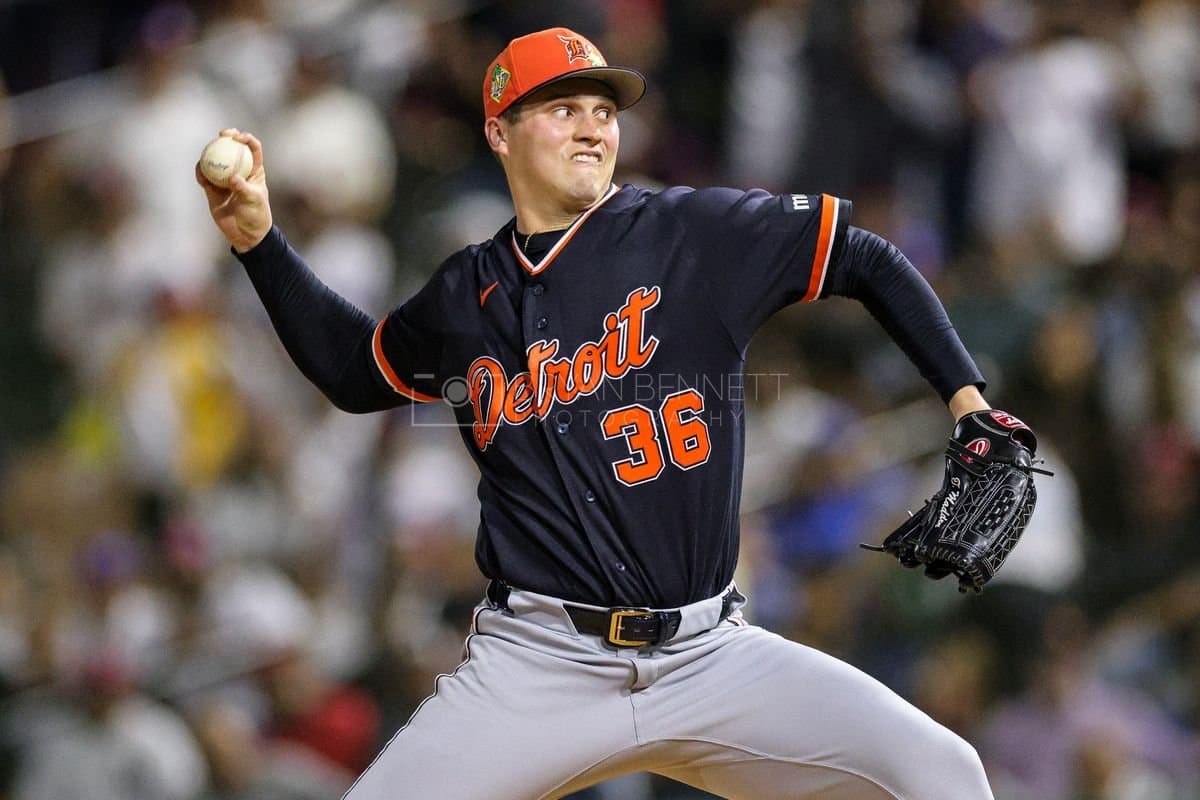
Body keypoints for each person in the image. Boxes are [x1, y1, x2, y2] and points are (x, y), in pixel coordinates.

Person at [197, 26, 1000, 800]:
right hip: (539, 664)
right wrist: (260, 244)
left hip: (709, 656)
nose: (592, 128)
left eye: (605, 112)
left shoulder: (692, 232)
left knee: (943, 775)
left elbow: (864, 256)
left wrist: (967, 402)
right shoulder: (462, 296)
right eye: (563, 109)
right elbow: (354, 369)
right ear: (501, 133)